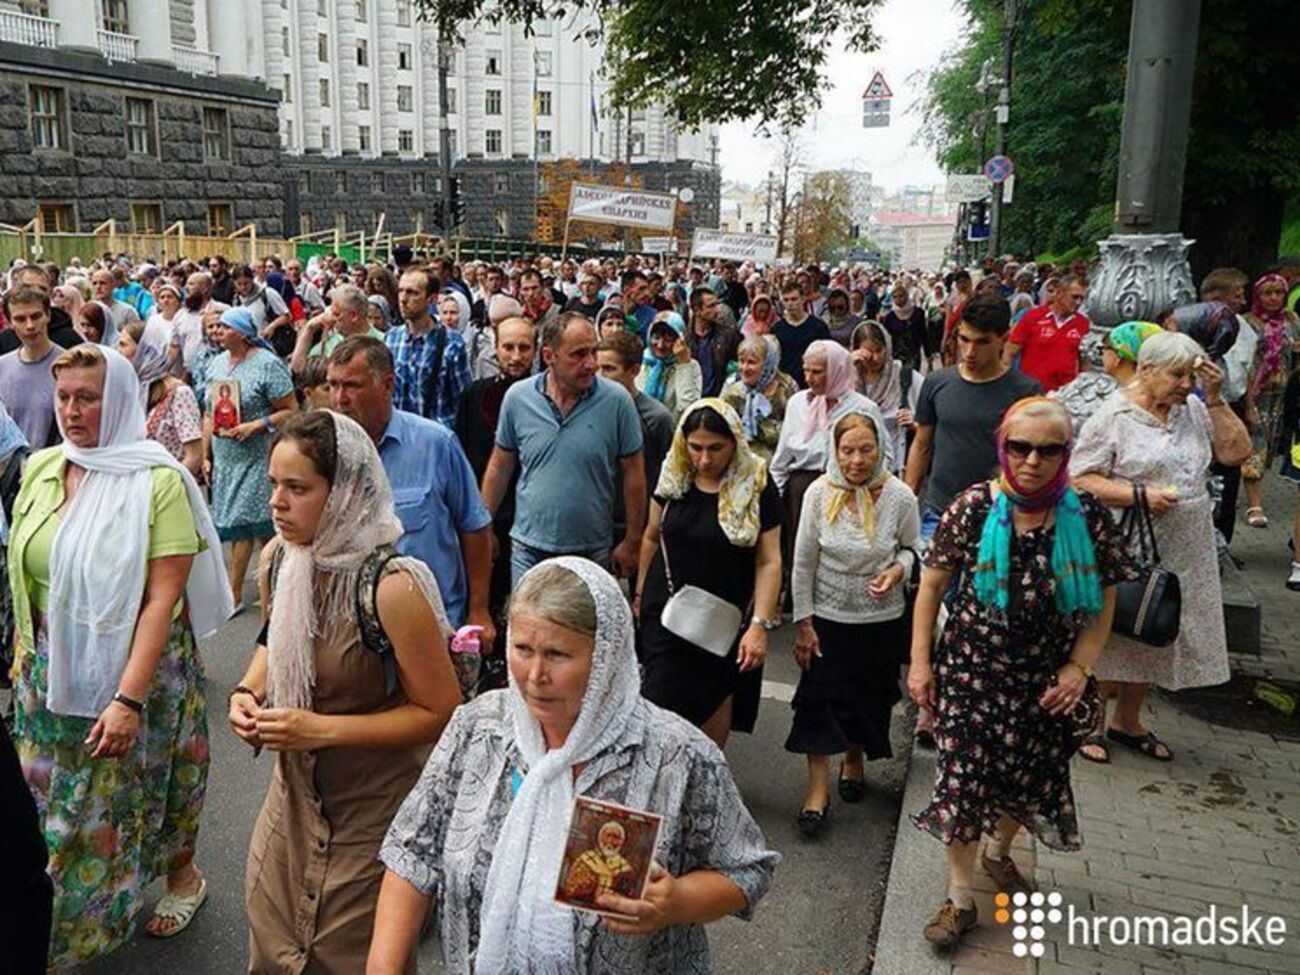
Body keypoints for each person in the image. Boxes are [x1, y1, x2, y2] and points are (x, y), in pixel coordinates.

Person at [369, 558, 779, 975]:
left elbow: (746, 870)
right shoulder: (479, 730)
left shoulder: (676, 754)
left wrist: (678, 901)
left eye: (557, 654)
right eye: (522, 649)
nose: (534, 675)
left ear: (608, 657)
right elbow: (411, 854)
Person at [8, 345, 232, 966]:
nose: (72, 410)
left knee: (144, 792)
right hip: (50, 671)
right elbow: (22, 570)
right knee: (53, 805)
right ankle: (57, 926)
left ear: (122, 401)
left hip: (137, 672)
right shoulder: (46, 467)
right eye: (64, 397)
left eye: (88, 397)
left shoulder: (155, 480)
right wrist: (23, 653)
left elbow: (161, 599)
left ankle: (182, 877)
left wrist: (127, 699)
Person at [231, 410, 462, 974]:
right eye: (273, 485)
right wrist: (246, 691)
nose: (277, 504)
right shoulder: (282, 559)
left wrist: (321, 729)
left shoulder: (393, 587)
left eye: (298, 488)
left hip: (370, 825)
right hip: (289, 815)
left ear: (344, 494)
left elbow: (440, 712)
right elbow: (274, 639)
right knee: (274, 954)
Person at [908, 397, 1129, 951]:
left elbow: (1103, 603)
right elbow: (931, 587)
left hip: (1047, 683)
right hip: (971, 675)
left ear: (1066, 453)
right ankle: (960, 898)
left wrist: (1080, 668)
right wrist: (919, 663)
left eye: (1048, 449)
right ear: (1002, 448)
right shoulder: (974, 508)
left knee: (1027, 781)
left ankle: (999, 853)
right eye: (1020, 447)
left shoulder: (1086, 514)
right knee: (961, 782)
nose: (1032, 460)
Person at [1070, 332, 1251, 762]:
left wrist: (1214, 397)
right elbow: (1080, 478)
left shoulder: (1193, 407)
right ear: (1146, 369)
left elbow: (1237, 452)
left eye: (1190, 375)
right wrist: (1140, 496)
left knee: (1157, 625)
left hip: (1186, 544)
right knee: (1113, 627)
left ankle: (1127, 721)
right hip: (1128, 539)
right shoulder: (1113, 415)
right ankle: (1089, 723)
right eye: (1176, 375)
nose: (1184, 384)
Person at [788, 410, 919, 836]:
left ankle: (854, 758)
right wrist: (803, 621)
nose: (857, 460)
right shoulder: (819, 494)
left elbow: (913, 548)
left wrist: (897, 570)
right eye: (847, 450)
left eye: (866, 450)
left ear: (881, 449)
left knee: (867, 695)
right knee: (818, 698)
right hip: (828, 616)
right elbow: (803, 561)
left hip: (881, 618)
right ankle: (816, 792)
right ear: (835, 450)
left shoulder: (899, 496)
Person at [326, 336, 494, 640]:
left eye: (351, 385)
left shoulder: (435, 444)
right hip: (354, 631)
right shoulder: (322, 453)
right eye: (332, 385)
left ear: (387, 385)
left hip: (433, 624)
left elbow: (475, 528)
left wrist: (479, 610)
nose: (339, 398)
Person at [635, 400, 782, 748]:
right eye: (696, 448)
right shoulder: (674, 476)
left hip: (724, 620)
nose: (704, 459)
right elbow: (652, 536)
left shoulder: (757, 483)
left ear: (734, 442)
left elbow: (769, 561)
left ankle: (703, 788)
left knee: (713, 701)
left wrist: (759, 626)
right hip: (665, 613)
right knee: (657, 706)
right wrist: (640, 595)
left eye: (715, 448)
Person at [482, 313, 646, 585]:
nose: (591, 364)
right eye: (579, 354)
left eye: (594, 351)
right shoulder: (518, 399)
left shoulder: (617, 402)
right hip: (528, 549)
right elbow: (500, 466)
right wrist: (484, 526)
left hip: (592, 551)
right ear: (549, 356)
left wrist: (633, 539)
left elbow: (635, 476)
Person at [906, 293, 1042, 542]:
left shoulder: (1025, 392)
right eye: (964, 339)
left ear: (1004, 339)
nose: (969, 351)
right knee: (931, 581)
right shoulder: (937, 383)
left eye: (982, 342)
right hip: (940, 511)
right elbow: (922, 444)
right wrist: (907, 499)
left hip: (999, 515)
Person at [204, 307, 298, 610]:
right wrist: (206, 454)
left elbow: (290, 409)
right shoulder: (216, 363)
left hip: (256, 454)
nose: (219, 332)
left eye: (225, 327)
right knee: (262, 525)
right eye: (217, 327)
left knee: (243, 523)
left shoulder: (267, 364)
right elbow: (209, 412)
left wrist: (258, 425)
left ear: (243, 333)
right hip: (226, 455)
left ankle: (233, 594)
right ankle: (275, 582)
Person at [597, 330, 677, 535]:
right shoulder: (587, 411)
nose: (599, 377)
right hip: (594, 526)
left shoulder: (657, 419)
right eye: (597, 368)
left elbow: (669, 479)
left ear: (634, 370)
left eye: (608, 369)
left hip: (635, 528)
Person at [1241, 273, 1300, 533]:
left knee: (1273, 448)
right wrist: (1248, 403)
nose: (1273, 298)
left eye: (1278, 293)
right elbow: (1245, 361)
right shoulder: (1248, 322)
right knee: (1256, 446)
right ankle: (1254, 504)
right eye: (1267, 293)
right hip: (1257, 392)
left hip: (1285, 394)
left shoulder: (1292, 320)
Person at [386, 266, 473, 429]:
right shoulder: (391, 338)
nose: (403, 299)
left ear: (432, 299)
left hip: (434, 438)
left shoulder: (452, 343)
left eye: (412, 293)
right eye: (401, 291)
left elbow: (463, 402)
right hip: (398, 434)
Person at [118, 320, 204, 478]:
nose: (118, 352)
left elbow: (194, 454)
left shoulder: (179, 393)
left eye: (123, 345)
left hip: (167, 488)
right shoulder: (130, 391)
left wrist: (173, 487)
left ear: (145, 349)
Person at [1050, 321, 1164, 435]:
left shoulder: (1117, 400)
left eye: (1103, 349)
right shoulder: (1159, 393)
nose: (1101, 355)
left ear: (1118, 356)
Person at [851, 321, 922, 474]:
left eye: (879, 350)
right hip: (859, 467)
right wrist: (847, 366)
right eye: (868, 352)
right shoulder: (850, 379)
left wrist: (915, 422)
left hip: (898, 464)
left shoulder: (904, 376)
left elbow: (931, 420)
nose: (875, 358)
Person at [0, 284, 64, 448]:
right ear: (9, 322)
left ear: (48, 315)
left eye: (36, 316)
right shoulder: (3, 367)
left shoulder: (68, 366)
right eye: (20, 319)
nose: (29, 326)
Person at [1002, 273, 1090, 393]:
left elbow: (1084, 362)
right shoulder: (1032, 317)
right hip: (1030, 392)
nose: (1078, 303)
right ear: (1059, 293)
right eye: (1074, 297)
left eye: (1082, 298)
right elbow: (1009, 352)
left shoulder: (1083, 324)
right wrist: (1008, 384)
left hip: (1064, 394)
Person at [721, 335, 798, 464]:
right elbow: (721, 426)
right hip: (739, 463)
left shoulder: (785, 388)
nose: (744, 368)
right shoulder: (732, 390)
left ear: (768, 364)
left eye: (751, 362)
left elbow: (795, 431)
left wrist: (764, 428)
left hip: (776, 464)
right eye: (741, 361)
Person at [290, 283, 384, 375]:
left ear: (353, 316)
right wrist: (309, 328)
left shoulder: (382, 342)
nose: (331, 318)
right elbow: (298, 368)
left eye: (336, 314)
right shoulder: (330, 342)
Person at [636, 310, 703, 422]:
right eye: (656, 337)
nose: (661, 345)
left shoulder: (691, 366)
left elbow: (688, 407)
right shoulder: (642, 360)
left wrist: (684, 366)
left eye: (668, 340)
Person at [687, 287, 742, 398]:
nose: (716, 310)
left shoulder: (728, 336)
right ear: (696, 310)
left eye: (716, 305)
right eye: (711, 306)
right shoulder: (685, 340)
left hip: (720, 398)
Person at [773, 282, 831, 387]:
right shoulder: (777, 329)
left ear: (803, 299)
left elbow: (828, 356)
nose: (790, 303)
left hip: (812, 383)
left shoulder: (818, 327)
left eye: (794, 299)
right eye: (786, 300)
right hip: (785, 385)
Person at [881, 281, 930, 376]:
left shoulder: (918, 313)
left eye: (901, 296)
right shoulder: (890, 317)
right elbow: (886, 338)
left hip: (913, 355)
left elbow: (924, 334)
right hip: (896, 356)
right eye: (895, 297)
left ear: (907, 296)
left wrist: (928, 355)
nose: (898, 299)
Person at [90, 267, 141, 345]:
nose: (98, 287)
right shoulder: (88, 310)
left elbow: (138, 338)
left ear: (113, 284)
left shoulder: (127, 311)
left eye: (103, 283)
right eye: (94, 283)